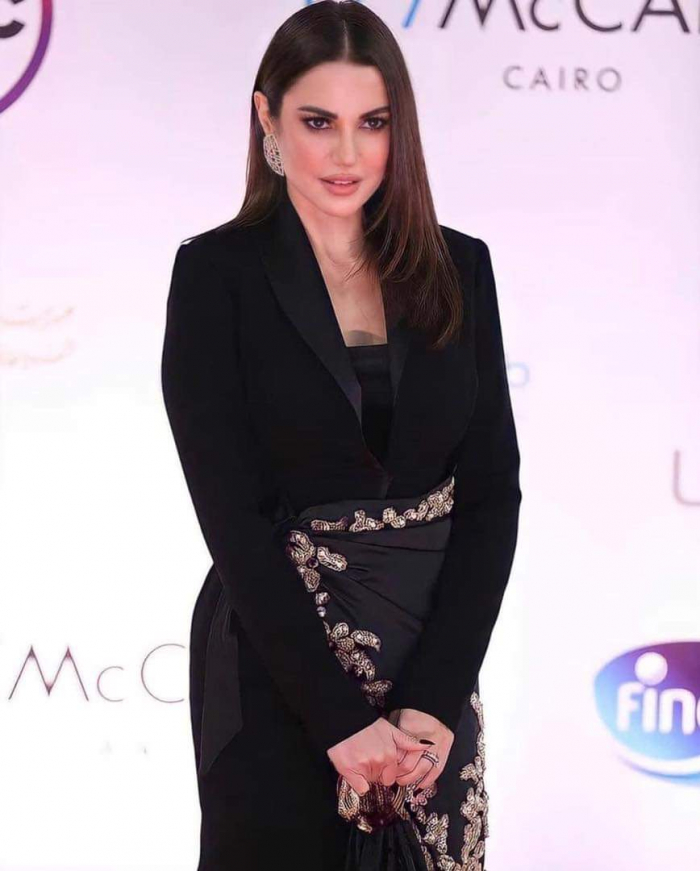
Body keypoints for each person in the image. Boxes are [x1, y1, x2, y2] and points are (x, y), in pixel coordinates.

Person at [160, 2, 522, 869]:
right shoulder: (215, 274)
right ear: (268, 119)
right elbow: (233, 518)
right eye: (319, 122)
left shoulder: (461, 266)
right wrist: (339, 720)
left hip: (428, 673)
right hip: (279, 667)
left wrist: (432, 702)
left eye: (374, 123)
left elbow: (490, 496)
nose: (348, 154)